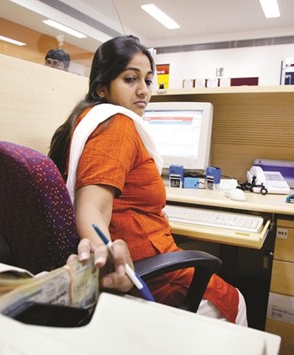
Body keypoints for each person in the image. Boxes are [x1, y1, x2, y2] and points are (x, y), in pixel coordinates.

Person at [50, 35, 247, 325]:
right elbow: (93, 208)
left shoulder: (89, 119)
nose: (143, 90)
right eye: (130, 79)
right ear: (102, 87)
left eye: (148, 80)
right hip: (147, 273)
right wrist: (103, 255)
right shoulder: (117, 126)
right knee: (235, 300)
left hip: (143, 259)